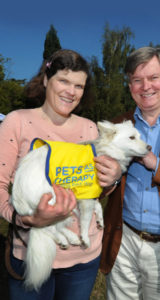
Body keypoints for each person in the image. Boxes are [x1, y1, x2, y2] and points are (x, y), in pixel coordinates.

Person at [0, 49, 121, 300]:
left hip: (83, 259)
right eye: (63, 80)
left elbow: (94, 190)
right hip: (31, 254)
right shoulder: (17, 121)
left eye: (79, 85)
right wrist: (27, 220)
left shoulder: (89, 128)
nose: (71, 91)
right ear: (46, 79)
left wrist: (111, 180)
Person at [100, 46, 160, 300]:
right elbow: (101, 185)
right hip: (123, 240)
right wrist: (107, 181)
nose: (146, 87)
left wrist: (155, 162)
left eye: (153, 78)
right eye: (137, 80)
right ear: (130, 85)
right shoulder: (118, 126)